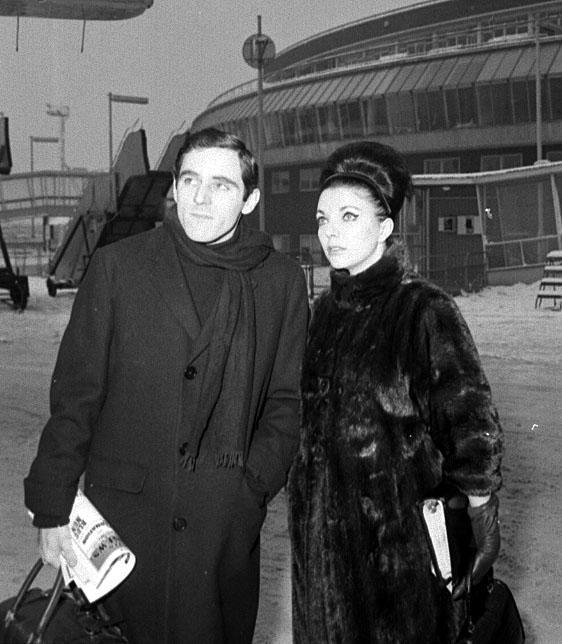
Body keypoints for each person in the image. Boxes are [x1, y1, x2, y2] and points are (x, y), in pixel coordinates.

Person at [24, 128, 309, 643]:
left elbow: (286, 402)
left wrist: (251, 489)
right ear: (173, 187)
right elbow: (76, 396)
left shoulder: (280, 281)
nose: (200, 198)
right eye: (189, 180)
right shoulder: (119, 267)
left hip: (222, 527)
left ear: (250, 200)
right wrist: (52, 505)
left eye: (221, 186)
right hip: (124, 526)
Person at [288, 141, 503, 643]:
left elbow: (470, 421)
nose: (329, 232)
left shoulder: (423, 311)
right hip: (319, 552)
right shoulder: (321, 315)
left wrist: (479, 509)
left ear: (385, 227)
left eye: (347, 216)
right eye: (322, 219)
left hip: (397, 555)